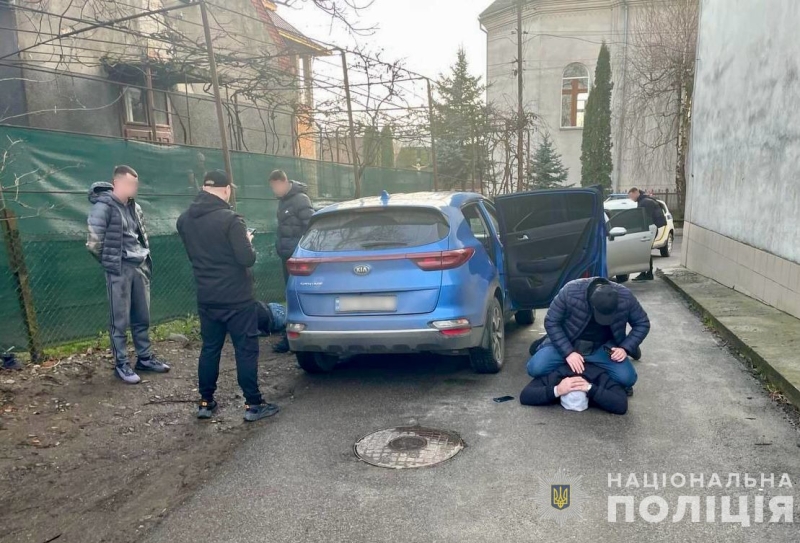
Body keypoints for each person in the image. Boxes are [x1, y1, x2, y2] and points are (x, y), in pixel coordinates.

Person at [176, 170, 279, 422]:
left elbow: (194, 256)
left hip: (207, 296)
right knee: (245, 350)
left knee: (210, 348)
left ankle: (205, 401)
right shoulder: (231, 220)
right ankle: (253, 405)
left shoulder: (184, 220)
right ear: (226, 190)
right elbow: (246, 258)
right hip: (237, 298)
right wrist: (246, 240)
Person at [86, 165, 170, 384]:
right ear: (117, 183)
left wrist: (143, 258)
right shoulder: (103, 207)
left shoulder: (135, 207)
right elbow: (94, 243)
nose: (134, 187)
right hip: (119, 269)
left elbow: (141, 235)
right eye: (130, 183)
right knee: (119, 320)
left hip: (139, 266)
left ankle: (144, 358)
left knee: (142, 317)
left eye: (136, 183)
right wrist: (112, 263)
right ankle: (121, 364)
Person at [526, 277, 649, 393]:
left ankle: (588, 368)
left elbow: (642, 323)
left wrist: (625, 348)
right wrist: (568, 352)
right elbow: (551, 321)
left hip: (602, 347)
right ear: (591, 303)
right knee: (535, 368)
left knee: (627, 379)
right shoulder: (570, 291)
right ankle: (545, 343)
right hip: (570, 342)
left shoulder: (625, 296)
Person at [268, 169, 314, 353]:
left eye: (275, 186)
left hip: (298, 257)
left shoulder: (300, 199)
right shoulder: (284, 201)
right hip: (287, 255)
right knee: (289, 294)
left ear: (283, 182)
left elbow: (310, 227)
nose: (274, 191)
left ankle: (293, 338)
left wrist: (302, 251)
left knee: (295, 296)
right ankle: (291, 335)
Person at [519, 363, 628, 415]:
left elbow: (621, 405)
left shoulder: (599, 377)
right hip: (569, 354)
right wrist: (557, 390)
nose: (576, 385)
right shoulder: (556, 376)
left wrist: (591, 389)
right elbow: (525, 395)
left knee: (626, 377)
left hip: (595, 355)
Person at [628, 187, 667, 281]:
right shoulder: (644, 200)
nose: (631, 198)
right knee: (646, 251)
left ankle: (647, 273)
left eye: (631, 196)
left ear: (636, 192)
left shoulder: (645, 202)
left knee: (645, 251)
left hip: (649, 230)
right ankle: (646, 273)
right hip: (651, 229)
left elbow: (644, 218)